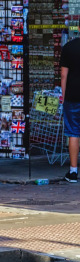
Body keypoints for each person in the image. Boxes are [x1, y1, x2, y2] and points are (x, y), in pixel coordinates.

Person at [60, 35, 80, 182]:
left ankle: (73, 171)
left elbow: (63, 75)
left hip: (72, 95)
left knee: (73, 132)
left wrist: (63, 95)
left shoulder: (68, 47)